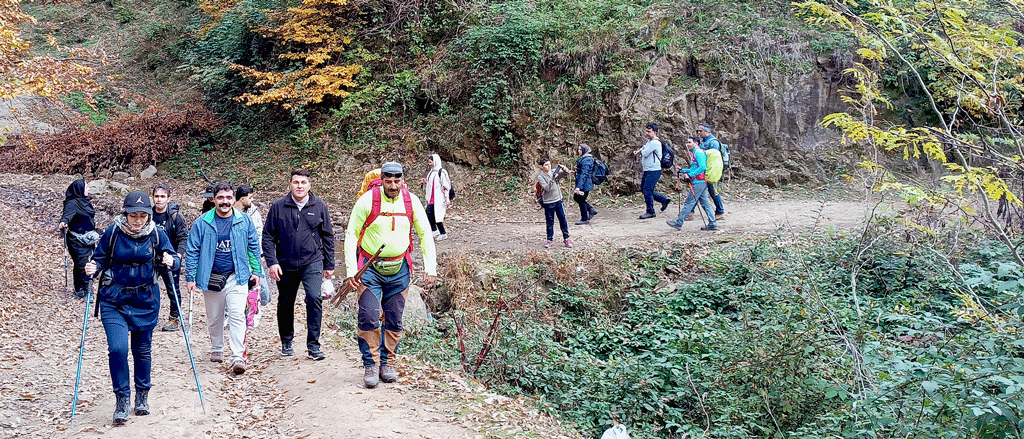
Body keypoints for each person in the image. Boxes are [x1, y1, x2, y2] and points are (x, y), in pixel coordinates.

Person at [84, 191, 179, 426]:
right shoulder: (113, 232)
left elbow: (174, 259)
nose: (138, 220)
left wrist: (171, 261)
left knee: (142, 350)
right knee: (118, 349)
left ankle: (142, 396)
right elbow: (99, 259)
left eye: (142, 216)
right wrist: (92, 267)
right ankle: (122, 399)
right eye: (133, 215)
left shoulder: (156, 233)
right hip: (114, 300)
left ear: (148, 215)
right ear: (125, 213)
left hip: (145, 300)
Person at [344, 161, 438, 388]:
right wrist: (351, 271)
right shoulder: (367, 200)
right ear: (382, 181)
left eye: (397, 181)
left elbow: (425, 234)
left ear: (402, 180)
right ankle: (371, 365)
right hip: (370, 269)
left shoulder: (411, 201)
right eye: (388, 181)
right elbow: (351, 234)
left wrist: (431, 268)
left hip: (399, 269)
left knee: (394, 319)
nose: (393, 186)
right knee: (368, 316)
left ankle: (387, 363)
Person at [185, 183, 263, 374]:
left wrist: (256, 270)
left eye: (228, 198)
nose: (225, 202)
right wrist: (190, 276)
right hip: (211, 277)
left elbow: (253, 245)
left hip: (237, 276)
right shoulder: (202, 222)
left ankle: (238, 357)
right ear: (214, 199)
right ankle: (217, 347)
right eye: (220, 198)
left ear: (234, 199)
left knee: (237, 315)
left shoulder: (243, 220)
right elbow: (192, 250)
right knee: (214, 317)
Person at [263, 169, 335, 360]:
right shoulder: (279, 206)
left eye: (303, 182)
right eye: (296, 182)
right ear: (290, 185)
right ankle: (286, 341)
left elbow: (328, 236)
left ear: (309, 185)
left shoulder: (319, 206)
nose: (300, 186)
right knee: (286, 302)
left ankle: (314, 346)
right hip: (285, 262)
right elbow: (268, 236)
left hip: (312, 260)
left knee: (314, 297)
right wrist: (272, 262)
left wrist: (329, 265)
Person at [151, 184, 188, 332]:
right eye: (156, 196)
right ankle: (151, 317)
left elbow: (183, 238)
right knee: (149, 289)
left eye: (162, 196)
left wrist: (177, 257)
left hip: (170, 259)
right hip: (152, 259)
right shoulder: (148, 215)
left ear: (168, 198)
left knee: (173, 290)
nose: (159, 200)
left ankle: (174, 318)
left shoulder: (175, 217)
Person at [666, 136, 719, 231]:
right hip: (701, 182)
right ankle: (713, 223)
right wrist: (683, 170)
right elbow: (695, 168)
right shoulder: (696, 153)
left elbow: (702, 167)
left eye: (690, 142)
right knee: (705, 203)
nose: (688, 144)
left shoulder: (698, 153)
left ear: (696, 143)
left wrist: (690, 175)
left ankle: (679, 222)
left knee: (689, 202)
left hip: (698, 182)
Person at [59, 179, 98, 298]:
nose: (88, 189)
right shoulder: (72, 203)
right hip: (76, 240)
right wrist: (64, 222)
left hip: (88, 238)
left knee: (79, 264)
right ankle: (88, 291)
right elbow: (66, 216)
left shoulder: (85, 201)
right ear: (79, 189)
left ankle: (79, 289)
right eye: (86, 187)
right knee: (83, 264)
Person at [234, 184, 271, 308]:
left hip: (253, 255)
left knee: (260, 286)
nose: (252, 200)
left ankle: (255, 308)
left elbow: (259, 234)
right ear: (242, 199)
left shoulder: (253, 212)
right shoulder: (229, 211)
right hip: (236, 256)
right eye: (250, 197)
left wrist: (261, 254)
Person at [634, 123, 671, 219]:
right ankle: (663, 199)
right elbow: (644, 148)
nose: (647, 133)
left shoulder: (655, 143)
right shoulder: (649, 142)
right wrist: (639, 151)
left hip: (654, 170)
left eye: (649, 132)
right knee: (644, 189)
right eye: (646, 131)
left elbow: (645, 153)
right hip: (648, 169)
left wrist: (640, 152)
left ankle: (650, 211)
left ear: (655, 132)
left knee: (647, 190)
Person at [537, 158, 572, 248]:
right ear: (541, 166)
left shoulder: (554, 171)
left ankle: (566, 238)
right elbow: (546, 188)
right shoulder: (541, 177)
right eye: (546, 165)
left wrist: (563, 167)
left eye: (549, 164)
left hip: (558, 200)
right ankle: (549, 240)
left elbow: (567, 173)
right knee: (550, 222)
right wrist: (553, 178)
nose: (548, 166)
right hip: (548, 202)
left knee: (563, 219)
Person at [696, 124, 726, 220]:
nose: (698, 133)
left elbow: (714, 158)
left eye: (700, 131)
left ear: (707, 131)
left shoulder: (713, 142)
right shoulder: (705, 141)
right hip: (704, 170)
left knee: (713, 192)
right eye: (697, 131)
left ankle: (720, 211)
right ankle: (690, 211)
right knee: (698, 190)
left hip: (711, 171)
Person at [423, 153, 453, 241]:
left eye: (430, 162)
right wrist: (425, 181)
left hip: (439, 198)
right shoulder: (431, 172)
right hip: (431, 198)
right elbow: (431, 183)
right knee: (429, 213)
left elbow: (445, 185)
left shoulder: (441, 172)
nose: (429, 164)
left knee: (437, 216)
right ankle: (434, 230)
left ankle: (442, 233)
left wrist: (446, 198)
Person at [572, 143, 598, 225]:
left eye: (580, 149)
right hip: (583, 182)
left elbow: (584, 174)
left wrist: (579, 187)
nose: (579, 151)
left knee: (581, 199)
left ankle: (585, 218)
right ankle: (591, 210)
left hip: (585, 184)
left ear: (584, 150)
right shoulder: (584, 158)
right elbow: (581, 171)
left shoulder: (587, 159)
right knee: (577, 198)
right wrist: (575, 172)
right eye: (578, 149)